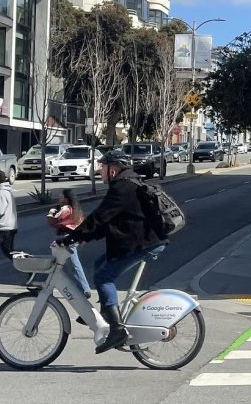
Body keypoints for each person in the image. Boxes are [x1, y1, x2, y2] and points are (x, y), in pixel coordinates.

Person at [62, 149, 163, 354]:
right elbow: (107, 222)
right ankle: (106, 313)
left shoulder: (122, 187)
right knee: (100, 264)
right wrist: (84, 236)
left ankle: (117, 330)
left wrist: (74, 236)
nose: (100, 171)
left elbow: (100, 216)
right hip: (139, 240)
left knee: (103, 277)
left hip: (142, 243)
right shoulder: (128, 182)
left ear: (113, 169)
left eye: (102, 167)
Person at [46, 190, 91, 297]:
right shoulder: (75, 209)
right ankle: (84, 288)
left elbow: (53, 220)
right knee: (68, 264)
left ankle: (84, 289)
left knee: (58, 263)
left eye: (61, 196)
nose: (58, 197)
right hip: (73, 238)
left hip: (67, 239)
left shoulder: (66, 209)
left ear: (66, 199)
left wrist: (52, 211)